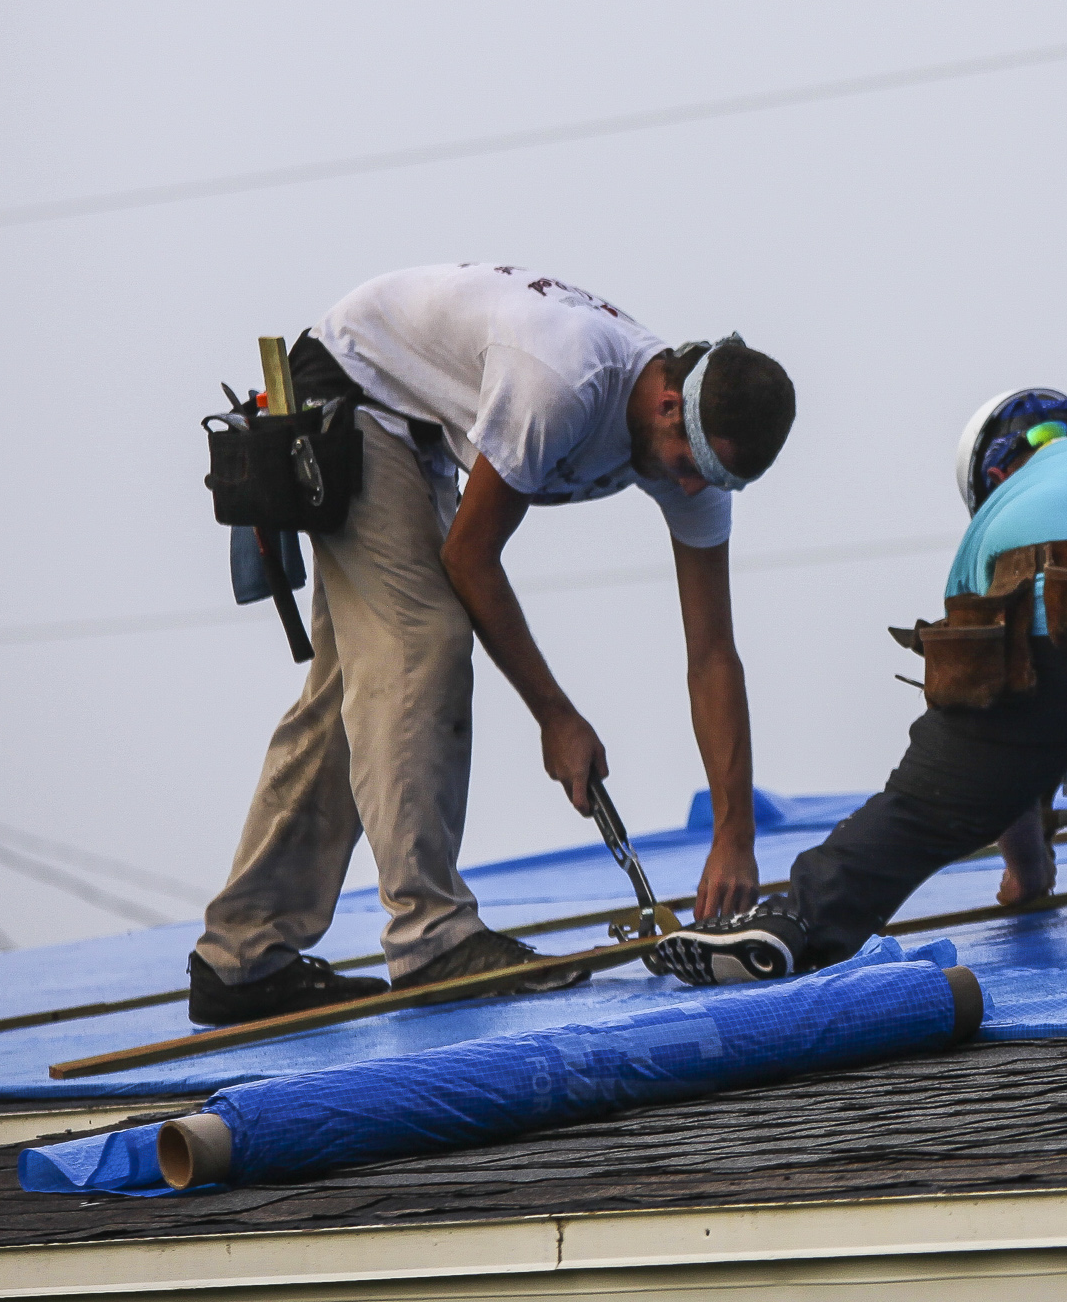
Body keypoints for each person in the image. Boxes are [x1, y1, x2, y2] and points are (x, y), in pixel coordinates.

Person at [189, 263, 795, 1022]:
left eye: (718, 481)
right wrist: (556, 716)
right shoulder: (562, 380)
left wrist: (735, 833)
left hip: (418, 430)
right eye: (691, 466)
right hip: (356, 391)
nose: (695, 490)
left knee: (356, 694)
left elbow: (713, 654)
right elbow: (470, 558)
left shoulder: (695, 459)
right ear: (670, 403)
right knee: (423, 643)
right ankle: (432, 936)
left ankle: (242, 954)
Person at [648, 389, 1067, 984]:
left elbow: (1003, 712)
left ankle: (799, 919)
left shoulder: (999, 516)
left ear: (994, 473)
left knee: (924, 809)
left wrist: (1029, 871)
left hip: (1040, 605)